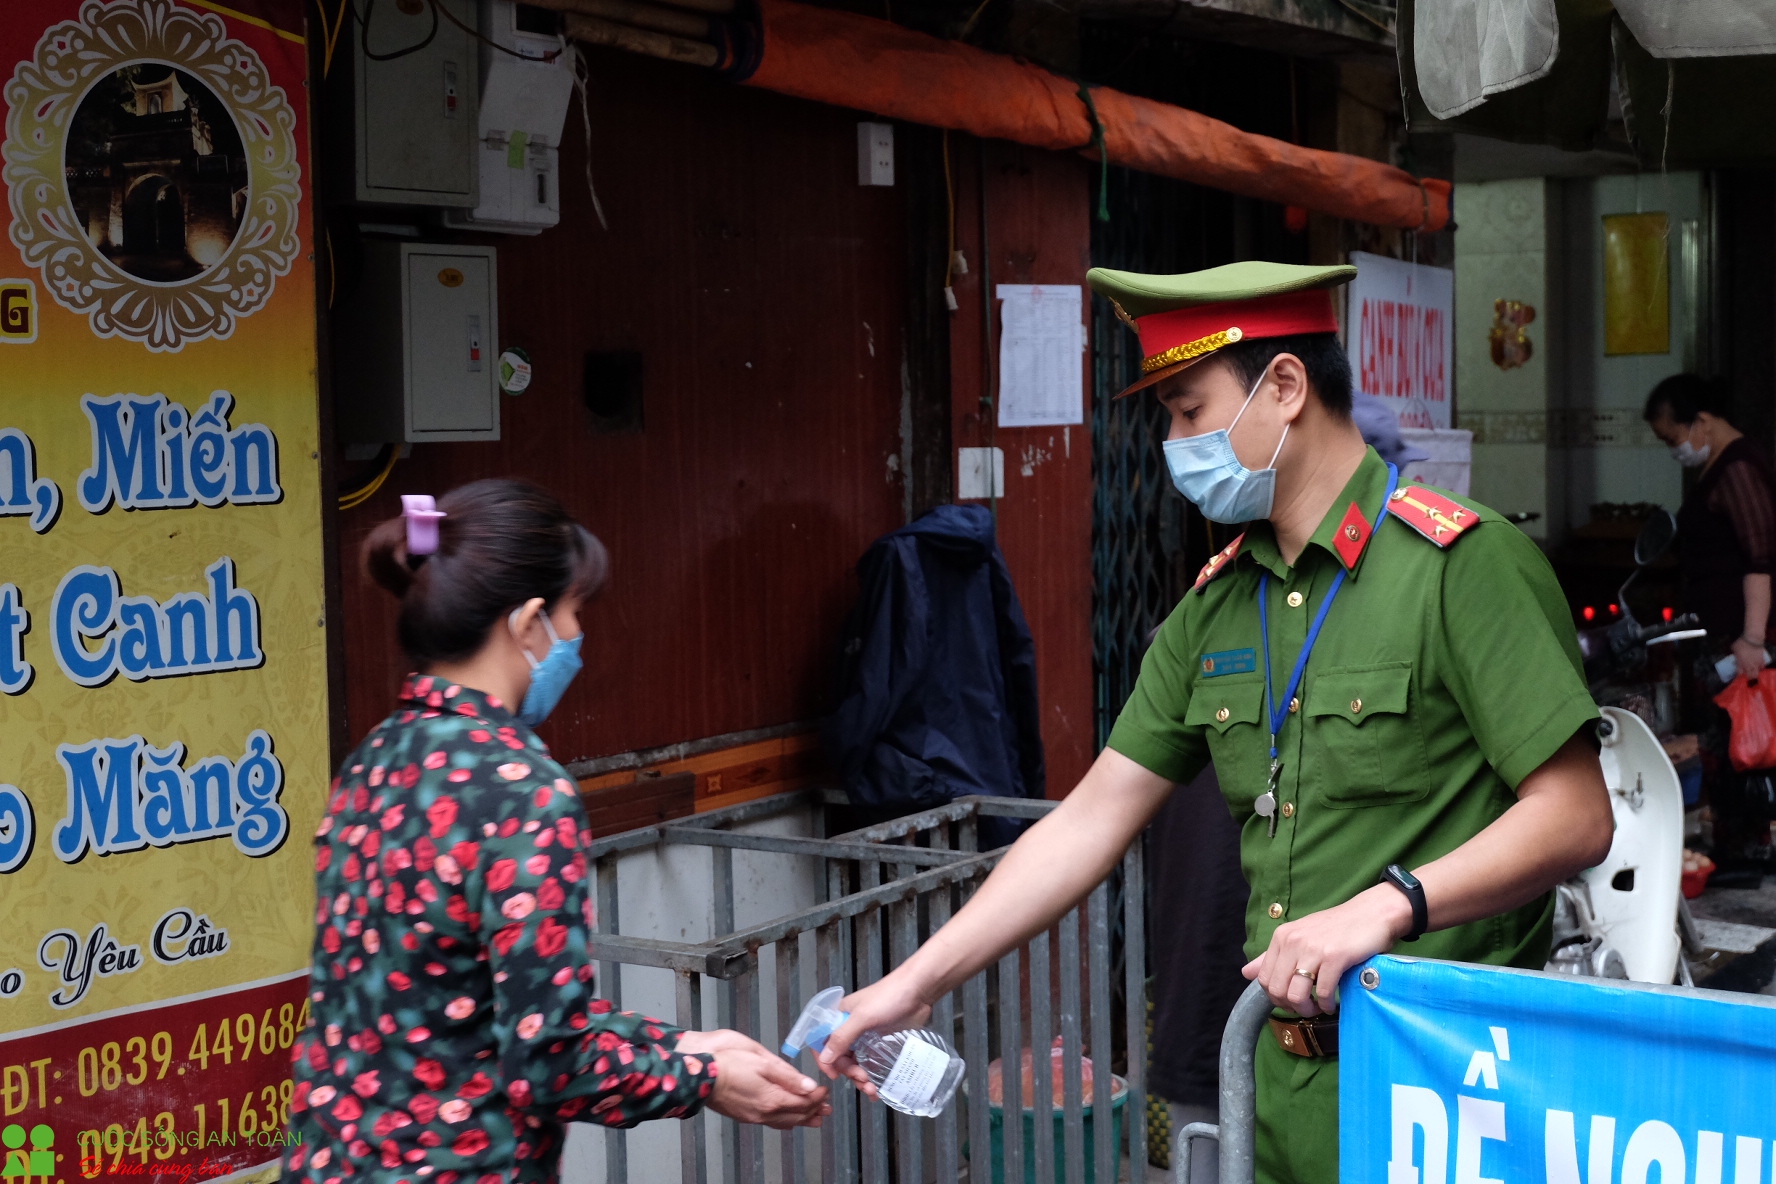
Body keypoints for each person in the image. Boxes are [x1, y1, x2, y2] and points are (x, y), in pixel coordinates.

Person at [817, 262, 1616, 1184]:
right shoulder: (1216, 608)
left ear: (1285, 387)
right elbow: (1087, 820)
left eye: (1190, 411)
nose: (1174, 444)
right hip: (1274, 1090)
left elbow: (1575, 815)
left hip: (1444, 1095)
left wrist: (1386, 905)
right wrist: (914, 983)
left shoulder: (1460, 566)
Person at [283, 480, 828, 1184]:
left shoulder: (375, 758)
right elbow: (549, 1061)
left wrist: (684, 1045)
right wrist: (705, 1078)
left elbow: (476, 1008)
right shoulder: (521, 790)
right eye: (574, 613)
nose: (576, 639)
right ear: (529, 621)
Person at [1644, 374, 1776, 865]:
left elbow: (1760, 559)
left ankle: (1744, 849)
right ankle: (1732, 843)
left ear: (1700, 421)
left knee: (1739, 741)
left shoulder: (1738, 468)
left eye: (1672, 437)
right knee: (1722, 740)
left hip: (1735, 637)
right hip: (1716, 632)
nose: (1674, 449)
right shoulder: (1719, 467)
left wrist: (1752, 640)